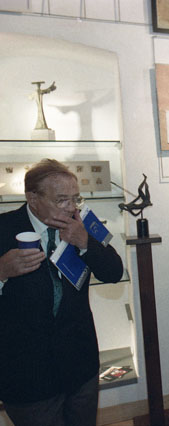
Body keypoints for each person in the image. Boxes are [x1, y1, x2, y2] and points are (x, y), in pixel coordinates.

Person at [0, 159, 123, 426]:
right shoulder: (4, 228)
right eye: (61, 200)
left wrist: (85, 242)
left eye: (75, 199)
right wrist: (1, 272)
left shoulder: (83, 224)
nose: (70, 208)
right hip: (27, 374)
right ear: (33, 199)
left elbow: (114, 272)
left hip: (80, 365)